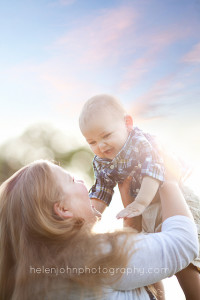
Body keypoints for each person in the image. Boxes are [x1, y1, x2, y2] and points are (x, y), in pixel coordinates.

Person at [0, 159, 198, 300]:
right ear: (62, 209)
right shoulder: (92, 256)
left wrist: (131, 227)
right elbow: (184, 243)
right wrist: (166, 180)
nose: (82, 182)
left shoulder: (32, 280)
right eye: (71, 180)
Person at [79, 94, 200, 299]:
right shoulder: (101, 160)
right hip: (142, 210)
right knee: (146, 262)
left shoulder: (140, 141)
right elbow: (102, 190)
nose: (101, 146)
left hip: (170, 204)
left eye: (106, 135)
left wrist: (141, 202)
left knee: (184, 265)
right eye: (92, 142)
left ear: (127, 123)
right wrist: (87, 220)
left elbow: (155, 170)